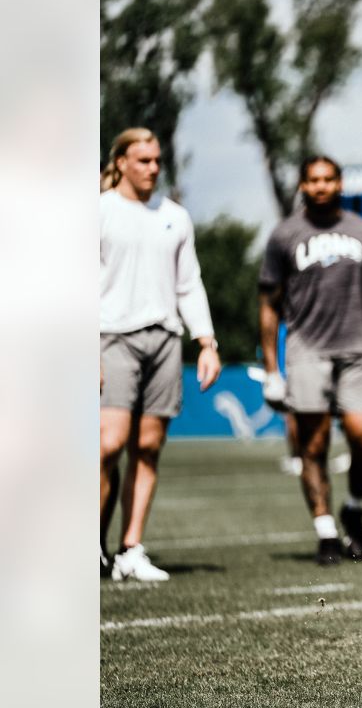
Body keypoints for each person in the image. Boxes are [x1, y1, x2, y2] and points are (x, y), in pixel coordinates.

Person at [259, 156, 362, 566]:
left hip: (357, 349)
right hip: (306, 350)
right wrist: (272, 370)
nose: (321, 186)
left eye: (328, 179)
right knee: (315, 444)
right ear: (303, 185)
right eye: (313, 180)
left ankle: (354, 508)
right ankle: (325, 531)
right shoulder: (284, 235)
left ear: (340, 183)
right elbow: (268, 305)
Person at [100, 127, 223, 581]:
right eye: (143, 160)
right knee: (107, 445)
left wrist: (205, 342)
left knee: (147, 448)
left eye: (157, 160)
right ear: (121, 162)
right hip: (109, 337)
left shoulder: (175, 216)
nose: (153, 168)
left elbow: (188, 283)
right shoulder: (99, 211)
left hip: (165, 339)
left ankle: (130, 549)